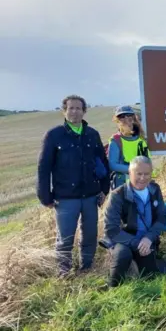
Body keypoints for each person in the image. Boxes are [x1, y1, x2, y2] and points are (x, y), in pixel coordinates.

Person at [36, 95, 110, 277]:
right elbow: (43, 167)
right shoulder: (54, 135)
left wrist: (104, 189)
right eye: (71, 108)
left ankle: (87, 268)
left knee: (90, 235)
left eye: (78, 108)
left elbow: (102, 163)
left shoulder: (92, 134)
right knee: (65, 237)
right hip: (65, 197)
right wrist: (45, 196)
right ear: (64, 111)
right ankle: (64, 272)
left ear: (84, 111)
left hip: (91, 195)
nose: (74, 111)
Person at [103, 156, 166, 288]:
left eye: (146, 174)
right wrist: (138, 243)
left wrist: (149, 238)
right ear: (130, 173)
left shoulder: (155, 190)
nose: (142, 178)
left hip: (147, 242)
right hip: (124, 241)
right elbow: (111, 229)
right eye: (138, 174)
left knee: (151, 278)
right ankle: (113, 288)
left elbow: (162, 217)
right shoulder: (117, 195)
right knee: (123, 255)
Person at [106, 105, 151, 190]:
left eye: (129, 115)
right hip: (122, 185)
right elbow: (112, 165)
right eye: (122, 116)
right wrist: (136, 170)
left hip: (142, 182)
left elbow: (148, 160)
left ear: (134, 118)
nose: (126, 119)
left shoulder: (141, 139)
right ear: (117, 121)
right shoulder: (115, 140)